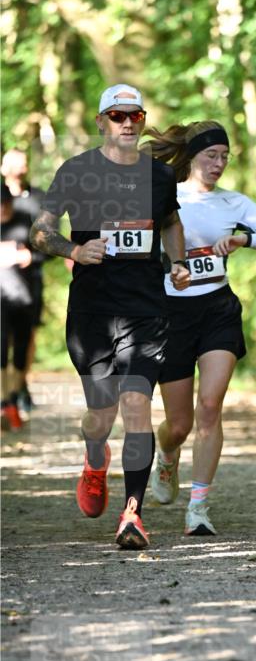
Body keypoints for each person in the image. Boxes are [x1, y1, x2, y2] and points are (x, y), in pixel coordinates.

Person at [30, 84, 191, 549]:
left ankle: (132, 514)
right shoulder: (77, 171)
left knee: (137, 405)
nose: (126, 123)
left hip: (146, 310)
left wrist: (177, 264)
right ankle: (94, 457)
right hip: (93, 313)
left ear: (141, 122)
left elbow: (171, 222)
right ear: (101, 121)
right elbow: (41, 233)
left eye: (134, 116)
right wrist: (75, 249)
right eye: (117, 115)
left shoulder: (160, 177)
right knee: (101, 415)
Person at [143, 121, 256, 537]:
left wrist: (245, 240)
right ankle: (167, 456)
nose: (219, 163)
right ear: (192, 156)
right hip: (170, 313)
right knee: (178, 424)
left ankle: (199, 506)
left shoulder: (234, 202)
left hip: (218, 309)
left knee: (211, 405)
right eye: (212, 155)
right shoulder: (165, 195)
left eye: (225, 156)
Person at [1, 148, 47, 412]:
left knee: (25, 335)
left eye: (23, 162)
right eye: (13, 163)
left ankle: (20, 387)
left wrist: (31, 256)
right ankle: (7, 394)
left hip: (28, 281)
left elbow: (47, 240)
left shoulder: (37, 198)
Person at [1, 180, 34, 430]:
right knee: (1, 351)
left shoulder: (24, 221)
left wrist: (29, 256)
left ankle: (12, 398)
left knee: (20, 352)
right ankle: (4, 403)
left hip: (23, 297)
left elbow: (44, 248)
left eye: (5, 205)